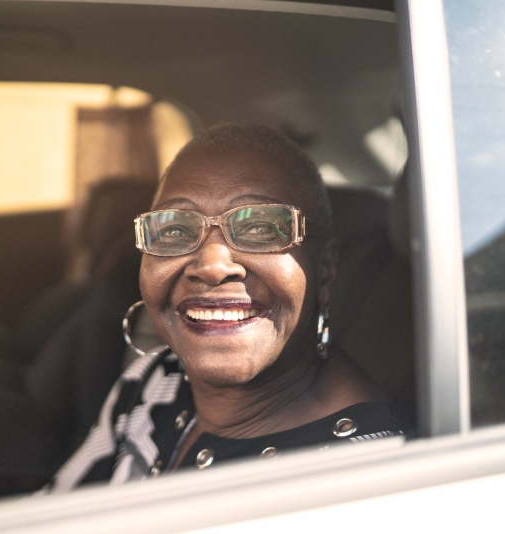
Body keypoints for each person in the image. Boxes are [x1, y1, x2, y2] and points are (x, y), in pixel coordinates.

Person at [42, 123, 403, 492]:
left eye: (260, 228)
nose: (213, 267)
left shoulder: (359, 477)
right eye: (175, 231)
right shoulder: (153, 379)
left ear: (325, 271)